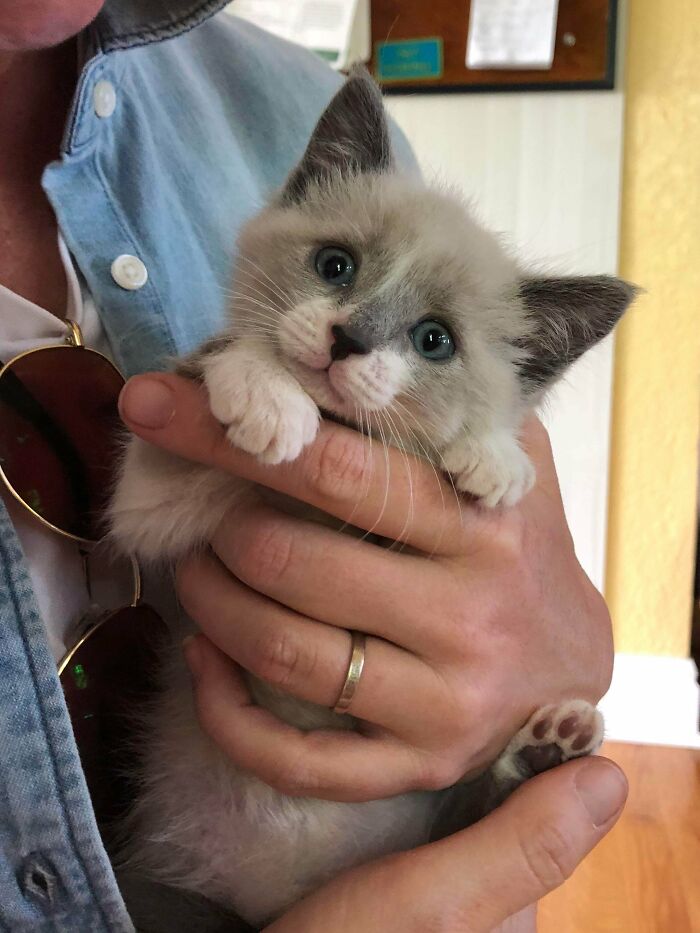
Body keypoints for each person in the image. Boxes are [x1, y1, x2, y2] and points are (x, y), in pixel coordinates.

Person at [0, 2, 627, 930]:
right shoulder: (256, 338)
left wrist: (556, 646)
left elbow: (504, 599)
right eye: (334, 266)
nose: (352, 336)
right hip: (201, 860)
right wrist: (233, 379)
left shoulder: (284, 94)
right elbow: (147, 519)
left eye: (429, 337)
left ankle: (491, 791)